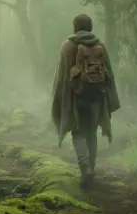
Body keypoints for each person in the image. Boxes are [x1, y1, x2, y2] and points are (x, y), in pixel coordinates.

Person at [51, 14, 121, 189]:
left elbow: (61, 74)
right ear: (90, 27)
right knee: (91, 133)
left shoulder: (68, 45)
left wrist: (58, 97)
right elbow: (109, 74)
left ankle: (86, 169)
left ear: (75, 26)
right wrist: (111, 98)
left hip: (76, 97)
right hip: (97, 97)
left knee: (78, 132)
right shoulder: (100, 45)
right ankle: (92, 168)